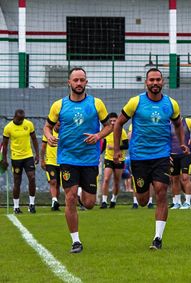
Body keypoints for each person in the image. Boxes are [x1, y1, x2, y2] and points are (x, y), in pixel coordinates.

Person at [113, 68, 189, 250]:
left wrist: (182, 142)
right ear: (146, 82)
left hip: (162, 155)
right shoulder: (135, 102)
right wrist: (117, 149)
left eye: (158, 80)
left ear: (163, 82)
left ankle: (158, 238)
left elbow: (178, 123)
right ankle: (141, 193)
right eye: (151, 80)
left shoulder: (171, 104)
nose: (155, 83)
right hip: (139, 157)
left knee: (162, 191)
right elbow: (118, 123)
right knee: (142, 199)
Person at [43, 67, 112, 253]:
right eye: (76, 80)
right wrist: (49, 136)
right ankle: (76, 241)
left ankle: (82, 190)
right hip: (67, 158)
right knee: (70, 198)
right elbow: (47, 126)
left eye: (82, 80)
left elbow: (109, 127)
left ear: (86, 82)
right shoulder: (59, 105)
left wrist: (98, 136)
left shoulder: (96, 104)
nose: (79, 83)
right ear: (69, 82)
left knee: (89, 203)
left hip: (89, 159)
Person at [1, 109, 40, 214]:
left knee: (32, 178)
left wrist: (37, 154)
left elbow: (34, 139)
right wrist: (4, 159)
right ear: (15, 117)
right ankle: (16, 206)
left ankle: (31, 204)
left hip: (28, 156)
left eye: (23, 119)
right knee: (17, 182)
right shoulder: (8, 128)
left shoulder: (29, 124)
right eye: (20, 119)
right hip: (16, 158)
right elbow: (4, 145)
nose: (22, 121)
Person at [100, 112, 129, 209]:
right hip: (108, 158)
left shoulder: (122, 131)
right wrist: (98, 153)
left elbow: (126, 145)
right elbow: (104, 145)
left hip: (120, 159)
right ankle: (104, 201)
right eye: (111, 121)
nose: (112, 123)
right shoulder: (106, 131)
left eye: (114, 121)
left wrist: (115, 147)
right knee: (106, 178)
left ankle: (114, 199)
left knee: (116, 180)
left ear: (117, 120)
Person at [40, 121, 61, 211]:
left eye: (60, 125)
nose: (59, 127)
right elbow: (43, 148)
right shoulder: (48, 133)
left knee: (58, 184)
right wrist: (42, 160)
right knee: (53, 181)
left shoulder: (64, 133)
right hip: (50, 162)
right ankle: (54, 200)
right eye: (57, 125)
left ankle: (55, 203)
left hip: (62, 162)